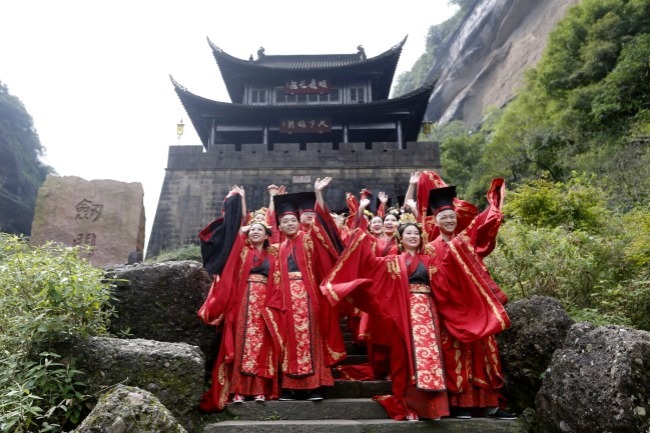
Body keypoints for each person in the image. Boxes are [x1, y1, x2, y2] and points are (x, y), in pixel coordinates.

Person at [321, 214, 449, 421]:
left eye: (416, 233)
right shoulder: (392, 261)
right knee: (404, 361)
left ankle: (433, 408)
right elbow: (369, 265)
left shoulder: (429, 260)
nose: (413, 237)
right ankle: (409, 406)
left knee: (430, 359)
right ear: (401, 238)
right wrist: (361, 237)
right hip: (402, 313)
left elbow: (442, 285)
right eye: (408, 233)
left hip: (428, 312)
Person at [419, 172, 516, 420]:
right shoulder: (430, 248)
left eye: (452, 217)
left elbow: (483, 230)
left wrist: (494, 205)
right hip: (450, 312)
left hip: (475, 309)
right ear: (436, 221)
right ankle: (461, 405)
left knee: (484, 355)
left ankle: (490, 404)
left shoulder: (464, 242)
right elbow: (434, 281)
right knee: (456, 359)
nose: (450, 221)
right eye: (445, 218)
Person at [197, 186, 281, 411]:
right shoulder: (242, 252)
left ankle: (260, 389)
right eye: (252, 229)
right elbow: (235, 230)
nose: (255, 232)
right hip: (243, 301)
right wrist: (242, 199)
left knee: (262, 346)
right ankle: (238, 391)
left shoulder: (274, 255)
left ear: (267, 234)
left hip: (265, 302)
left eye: (259, 229)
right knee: (242, 344)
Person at [271, 177, 346, 401]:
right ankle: (293, 388)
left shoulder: (309, 240)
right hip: (285, 300)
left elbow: (323, 226)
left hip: (308, 297)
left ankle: (315, 386)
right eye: (285, 222)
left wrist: (318, 194)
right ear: (280, 227)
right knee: (289, 342)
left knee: (311, 338)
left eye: (293, 220)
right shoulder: (277, 249)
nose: (291, 224)